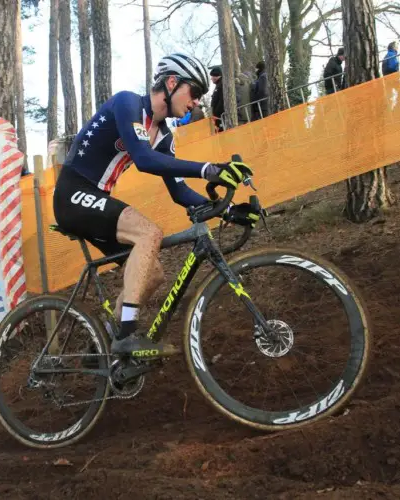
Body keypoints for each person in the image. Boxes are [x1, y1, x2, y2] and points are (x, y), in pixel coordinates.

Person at [53, 52, 258, 359]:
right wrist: (208, 169)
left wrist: (230, 211)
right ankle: (126, 336)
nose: (197, 103)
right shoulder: (128, 104)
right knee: (150, 233)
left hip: (96, 200)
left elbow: (179, 192)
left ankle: (104, 343)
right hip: (73, 193)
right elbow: (144, 159)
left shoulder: (163, 135)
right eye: (195, 93)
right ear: (172, 83)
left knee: (153, 274)